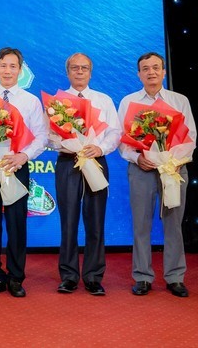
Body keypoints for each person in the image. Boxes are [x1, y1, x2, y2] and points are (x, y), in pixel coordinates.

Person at [118, 52, 197, 298]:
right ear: (138, 74)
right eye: (145, 69)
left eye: (156, 67)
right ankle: (142, 276)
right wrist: (136, 158)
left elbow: (190, 136)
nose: (151, 72)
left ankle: (175, 277)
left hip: (173, 170)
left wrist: (173, 162)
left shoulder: (179, 100)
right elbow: (123, 141)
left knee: (174, 224)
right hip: (142, 170)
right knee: (141, 224)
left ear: (164, 72)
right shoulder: (128, 101)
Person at [0, 47, 47, 298]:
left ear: (20, 69)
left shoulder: (30, 101)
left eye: (13, 66)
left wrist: (23, 156)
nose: (7, 70)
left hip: (17, 166)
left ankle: (16, 277)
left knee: (17, 224)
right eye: (3, 65)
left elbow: (41, 136)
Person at [52, 53, 121, 296]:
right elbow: (48, 137)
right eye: (74, 68)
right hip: (67, 162)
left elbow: (115, 132)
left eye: (84, 68)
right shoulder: (57, 102)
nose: (79, 72)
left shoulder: (103, 100)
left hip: (96, 161)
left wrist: (100, 148)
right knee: (68, 221)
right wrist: (64, 144)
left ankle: (93, 276)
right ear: (68, 72)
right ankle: (69, 276)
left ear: (91, 72)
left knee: (95, 221)